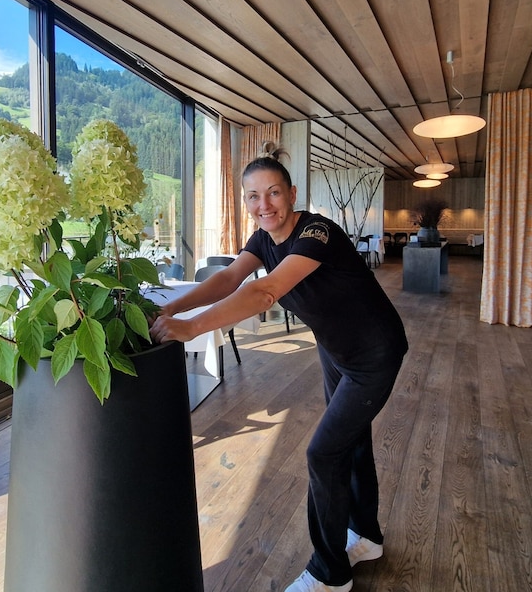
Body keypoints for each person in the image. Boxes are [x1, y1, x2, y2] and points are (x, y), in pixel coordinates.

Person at [149, 143, 408, 592]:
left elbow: (265, 291)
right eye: (253, 196)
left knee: (323, 454)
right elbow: (230, 278)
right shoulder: (262, 239)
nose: (263, 205)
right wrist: (170, 307)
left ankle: (331, 575)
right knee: (351, 444)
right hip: (336, 351)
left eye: (272, 193)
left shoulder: (316, 235)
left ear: (291, 193)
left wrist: (190, 328)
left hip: (374, 354)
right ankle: (365, 537)